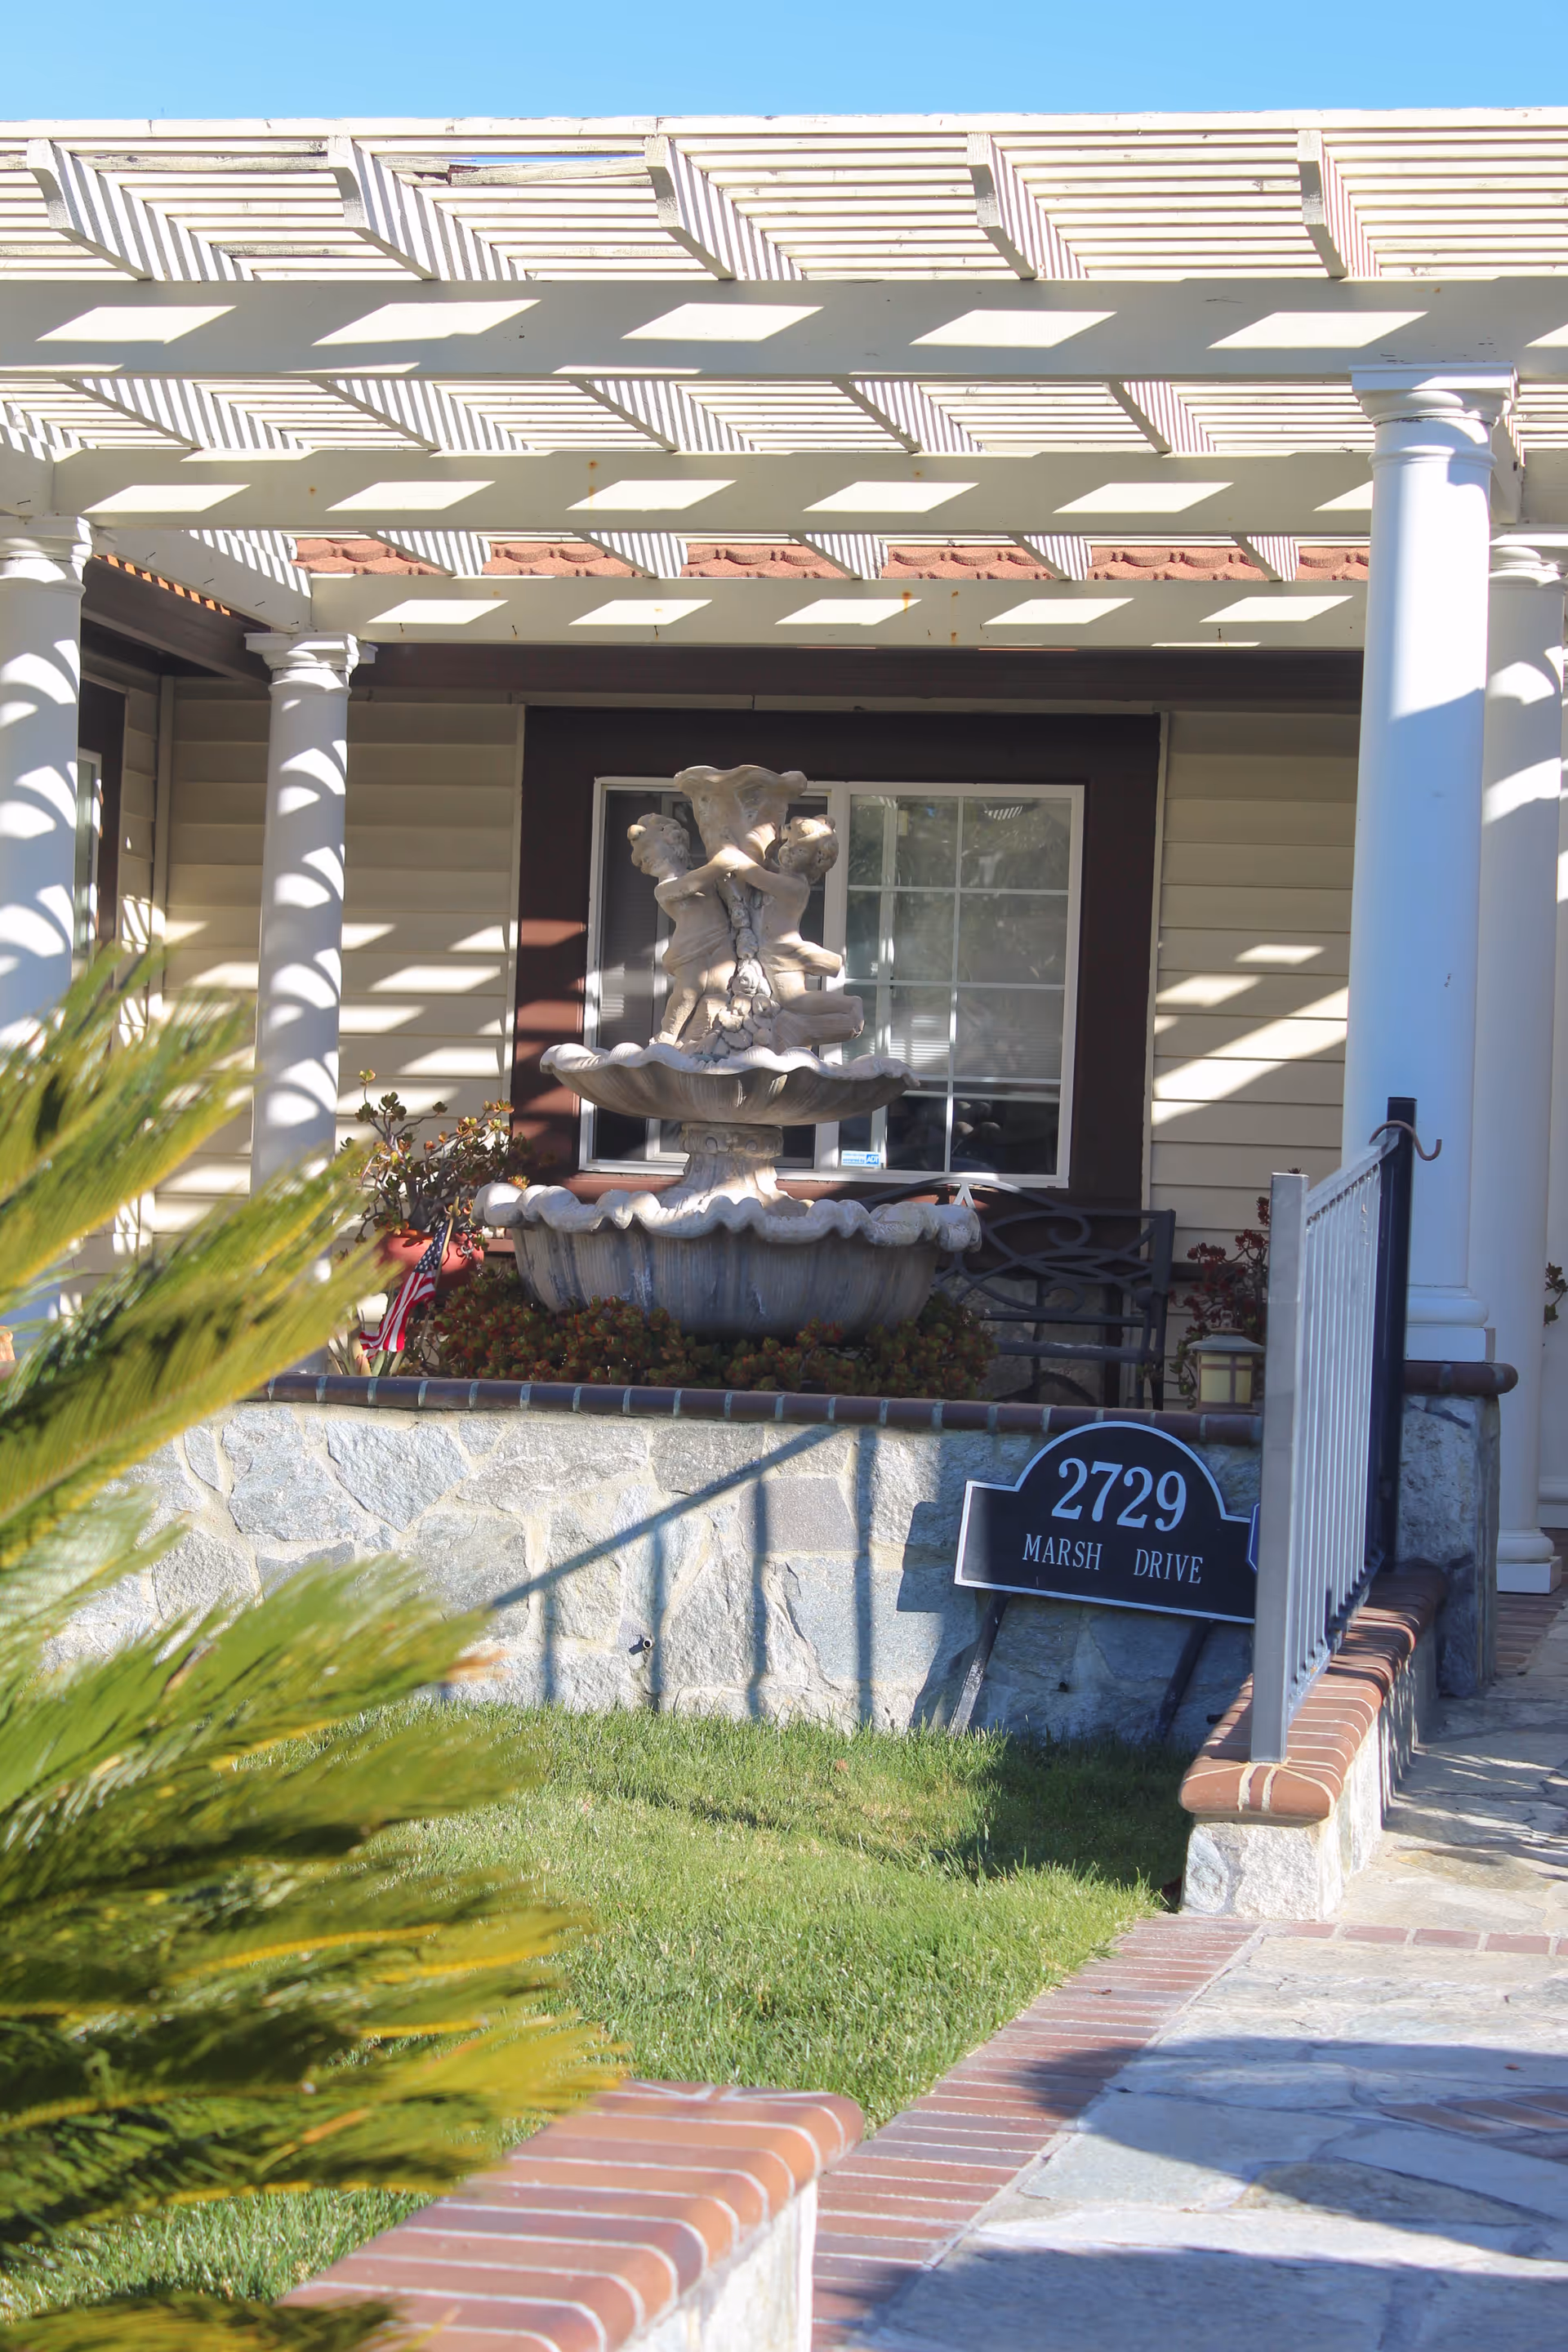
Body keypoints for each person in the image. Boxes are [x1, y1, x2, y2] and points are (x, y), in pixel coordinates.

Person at [626, 813, 736, 1046]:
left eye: (648, 854)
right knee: (689, 991)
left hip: (722, 939)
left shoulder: (701, 876)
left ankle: (700, 1038)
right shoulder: (664, 889)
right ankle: (669, 1033)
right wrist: (720, 864)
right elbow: (689, 886)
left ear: (671, 843)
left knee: (720, 989)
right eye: (643, 861)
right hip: (691, 947)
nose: (645, 864)